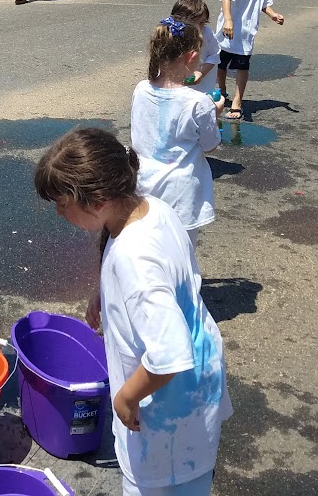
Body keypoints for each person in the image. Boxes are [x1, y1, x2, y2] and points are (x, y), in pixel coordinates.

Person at [35, 128, 232, 496]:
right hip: (197, 389)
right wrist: (104, 290)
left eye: (62, 203)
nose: (59, 213)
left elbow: (169, 356)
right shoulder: (151, 207)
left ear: (96, 200)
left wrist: (126, 397)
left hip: (168, 414)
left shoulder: (134, 260)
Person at [131, 18, 223, 250]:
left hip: (144, 185)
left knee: (149, 249)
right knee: (180, 253)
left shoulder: (141, 89)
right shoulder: (199, 103)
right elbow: (210, 144)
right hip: (181, 195)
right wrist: (214, 113)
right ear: (192, 57)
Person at [215, 0, 284, 121]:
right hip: (226, 30)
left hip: (246, 32)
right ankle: (221, 90)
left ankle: (237, 102)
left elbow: (263, 1)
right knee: (220, 64)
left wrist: (272, 14)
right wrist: (228, 20)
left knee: (242, 66)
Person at [171, 0, 221, 95]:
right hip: (177, 84)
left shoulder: (207, 33)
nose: (198, 27)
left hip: (203, 84)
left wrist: (201, 73)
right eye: (193, 22)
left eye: (202, 22)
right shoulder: (173, 35)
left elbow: (214, 55)